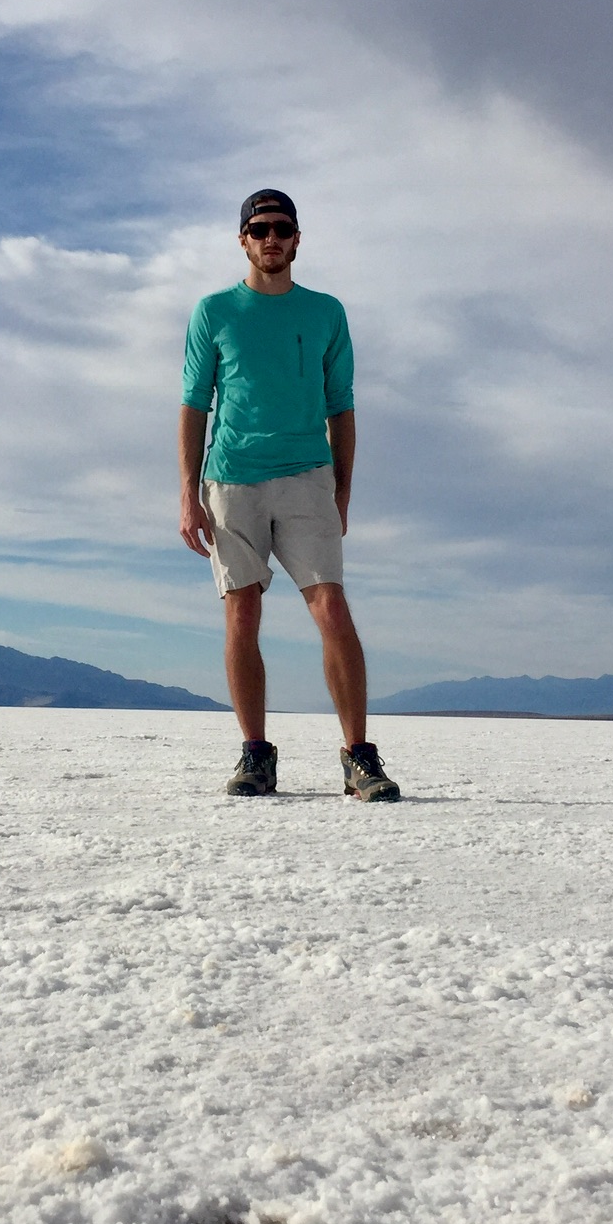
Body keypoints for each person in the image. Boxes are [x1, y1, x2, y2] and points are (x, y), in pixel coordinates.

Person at [178, 190, 400, 802]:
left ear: (298, 239)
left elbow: (342, 406)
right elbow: (195, 405)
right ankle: (256, 754)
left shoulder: (326, 313)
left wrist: (344, 488)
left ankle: (359, 756)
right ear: (242, 239)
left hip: (307, 476)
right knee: (242, 612)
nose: (270, 238)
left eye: (282, 228)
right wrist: (188, 494)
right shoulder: (214, 311)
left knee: (330, 606)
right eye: (258, 228)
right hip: (231, 479)